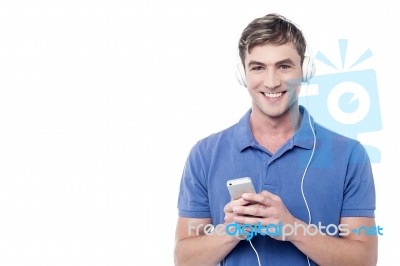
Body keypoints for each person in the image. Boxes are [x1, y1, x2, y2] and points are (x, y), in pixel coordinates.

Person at [174, 13, 377, 266]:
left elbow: (364, 260)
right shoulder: (204, 154)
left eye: (284, 66)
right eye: (258, 67)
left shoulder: (349, 154)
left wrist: (293, 229)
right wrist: (231, 231)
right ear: (243, 74)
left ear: (305, 70)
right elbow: (184, 260)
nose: (271, 82)